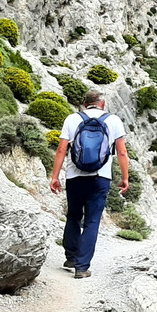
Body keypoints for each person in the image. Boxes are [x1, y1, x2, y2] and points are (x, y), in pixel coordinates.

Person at [49, 90, 129, 278]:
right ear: (103, 104)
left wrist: (55, 176)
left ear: (85, 104)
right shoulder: (113, 120)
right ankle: (82, 267)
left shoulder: (72, 119)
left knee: (73, 215)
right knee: (92, 221)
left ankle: (71, 257)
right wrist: (125, 178)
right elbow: (122, 153)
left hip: (74, 176)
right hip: (100, 177)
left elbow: (61, 149)